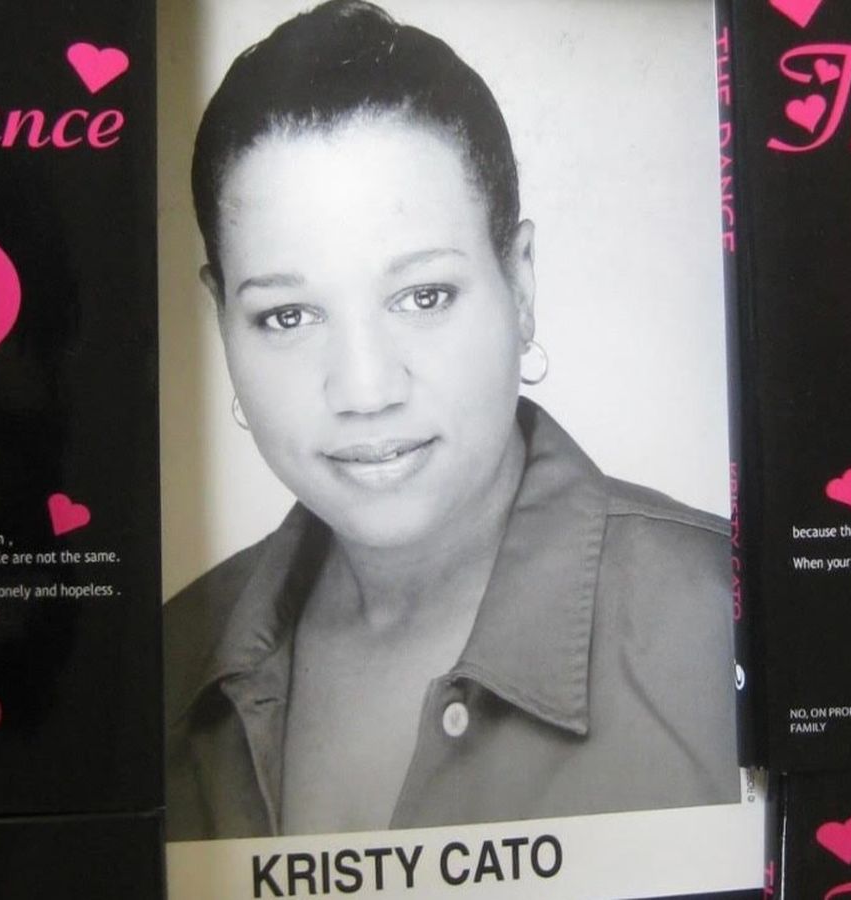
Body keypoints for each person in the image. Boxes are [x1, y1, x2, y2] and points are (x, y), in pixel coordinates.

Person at [164, 0, 736, 841]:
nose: (365, 389)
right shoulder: (162, 662)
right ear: (222, 321)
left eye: (423, 296)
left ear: (521, 284)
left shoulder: (728, 623)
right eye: (288, 315)